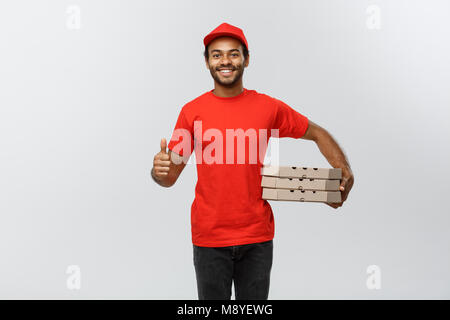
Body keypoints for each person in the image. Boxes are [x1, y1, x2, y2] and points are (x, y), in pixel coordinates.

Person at [151, 22, 354, 300]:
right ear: (207, 62)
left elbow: (317, 132)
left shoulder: (267, 108)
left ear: (246, 59)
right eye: (217, 54)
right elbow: (169, 177)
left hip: (257, 237)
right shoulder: (192, 112)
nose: (225, 60)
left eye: (234, 54)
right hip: (209, 238)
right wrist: (159, 170)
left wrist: (343, 170)